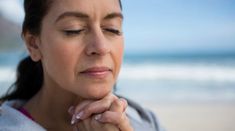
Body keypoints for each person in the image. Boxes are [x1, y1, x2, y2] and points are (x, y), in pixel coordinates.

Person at [0, 0, 164, 130]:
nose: (101, 47)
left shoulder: (145, 121)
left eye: (112, 29)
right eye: (74, 29)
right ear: (34, 44)